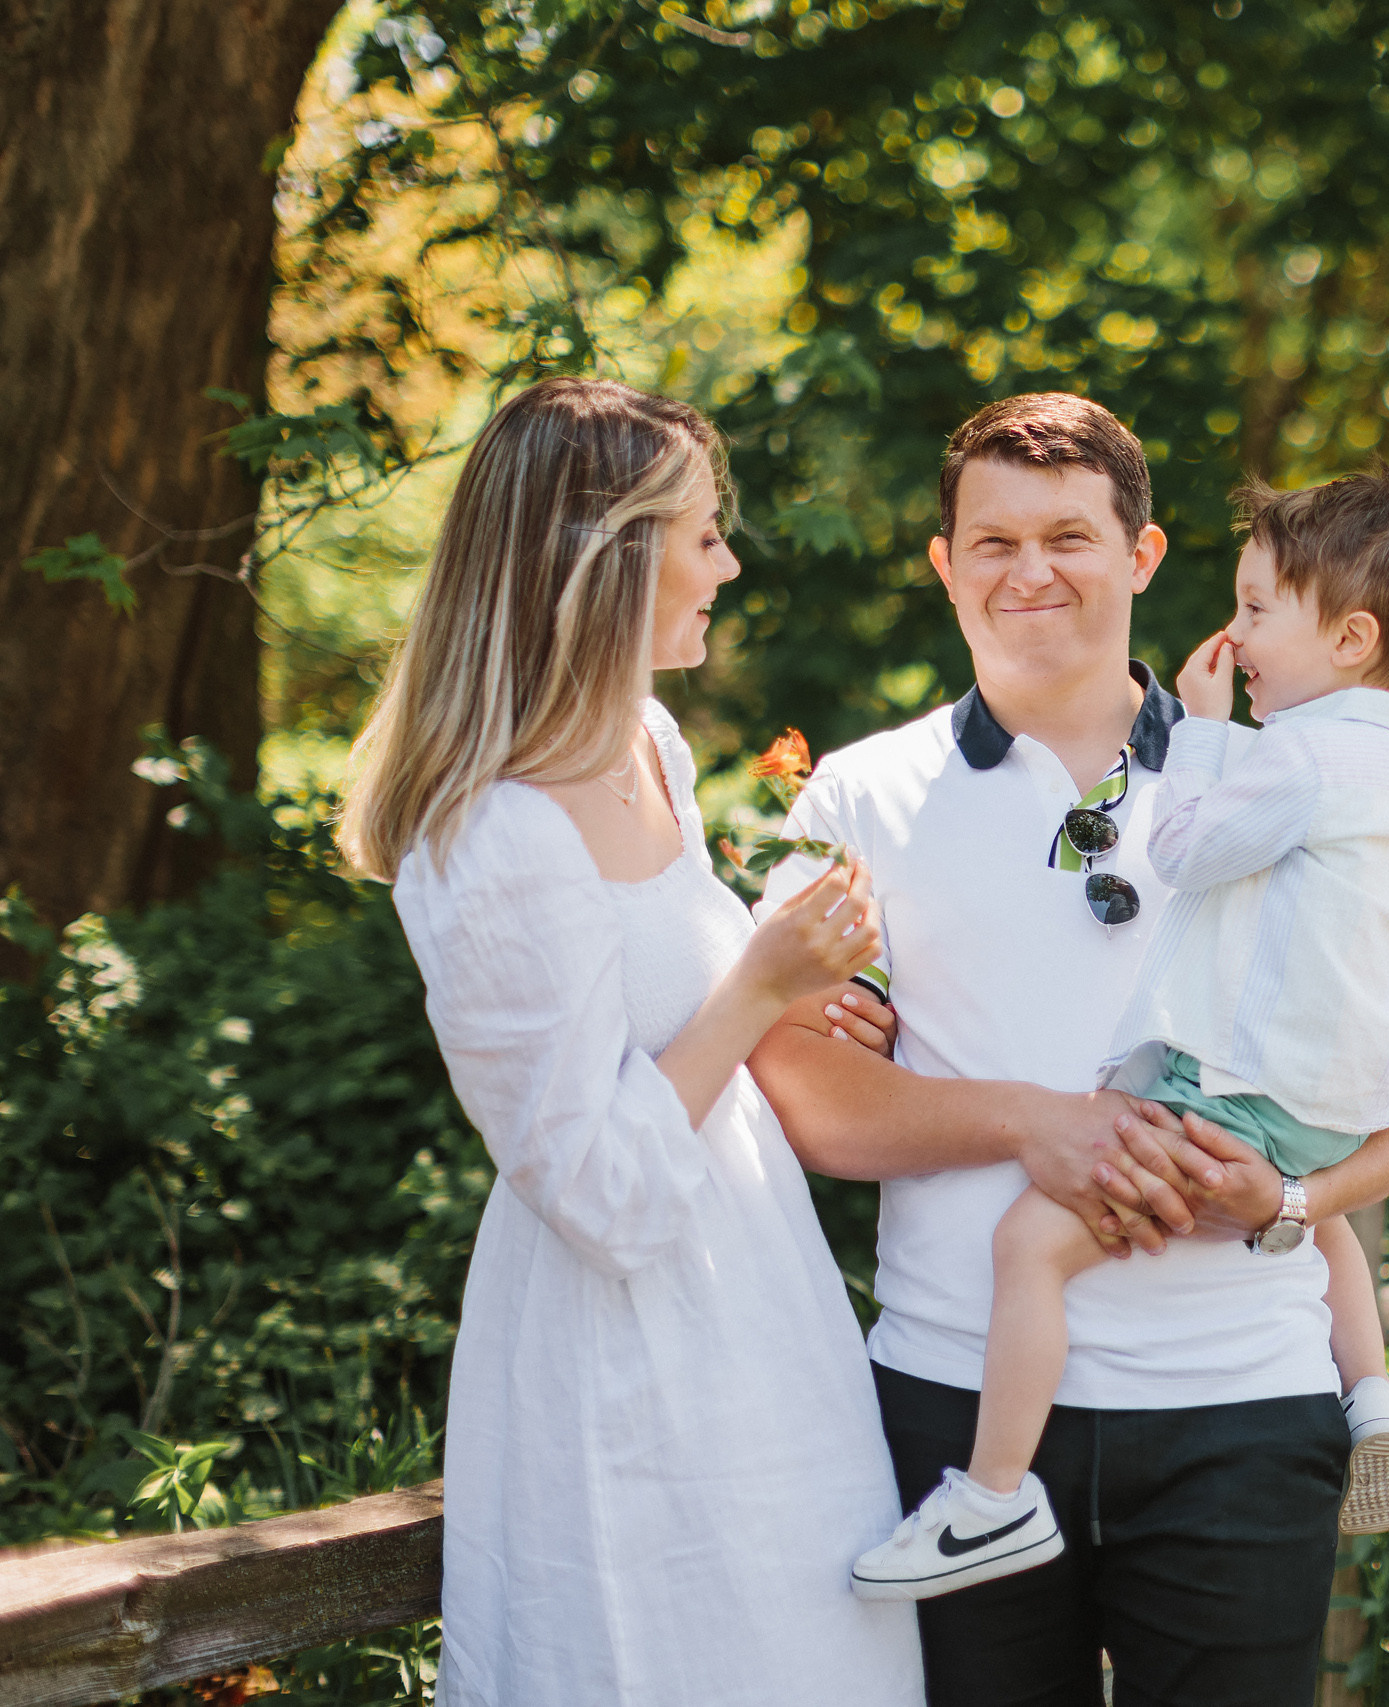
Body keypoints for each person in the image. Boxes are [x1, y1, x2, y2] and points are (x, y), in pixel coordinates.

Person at [746, 392, 1389, 1705]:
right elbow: (803, 1090)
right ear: (945, 564)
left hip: (1242, 1411)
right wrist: (1032, 1122)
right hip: (952, 1409)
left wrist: (1290, 1200)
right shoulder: (858, 794)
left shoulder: (1278, 777)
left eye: (1070, 537)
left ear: (1142, 556)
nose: (1030, 570)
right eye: (994, 541)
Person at [338, 376, 925, 1707]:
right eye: (703, 535)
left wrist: (793, 991)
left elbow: (673, 1018)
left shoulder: (649, 743)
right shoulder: (494, 836)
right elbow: (596, 1189)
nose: (727, 565)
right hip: (625, 1358)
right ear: (603, 559)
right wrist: (756, 986)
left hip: (760, 1309)